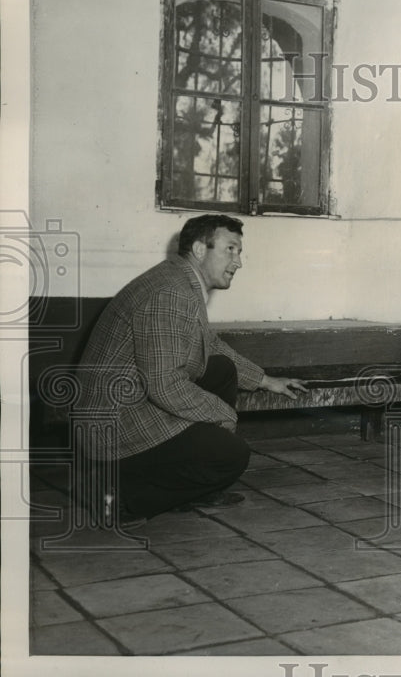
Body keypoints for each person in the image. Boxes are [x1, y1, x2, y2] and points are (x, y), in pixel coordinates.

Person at [78, 214, 305, 524]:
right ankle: (119, 497)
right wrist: (222, 416)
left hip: (128, 403)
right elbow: (164, 385)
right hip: (116, 426)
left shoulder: (180, 280)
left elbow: (209, 345)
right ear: (200, 249)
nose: (238, 262)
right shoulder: (169, 293)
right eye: (230, 249)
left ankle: (192, 485)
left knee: (222, 370)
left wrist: (265, 380)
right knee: (232, 456)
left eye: (239, 252)